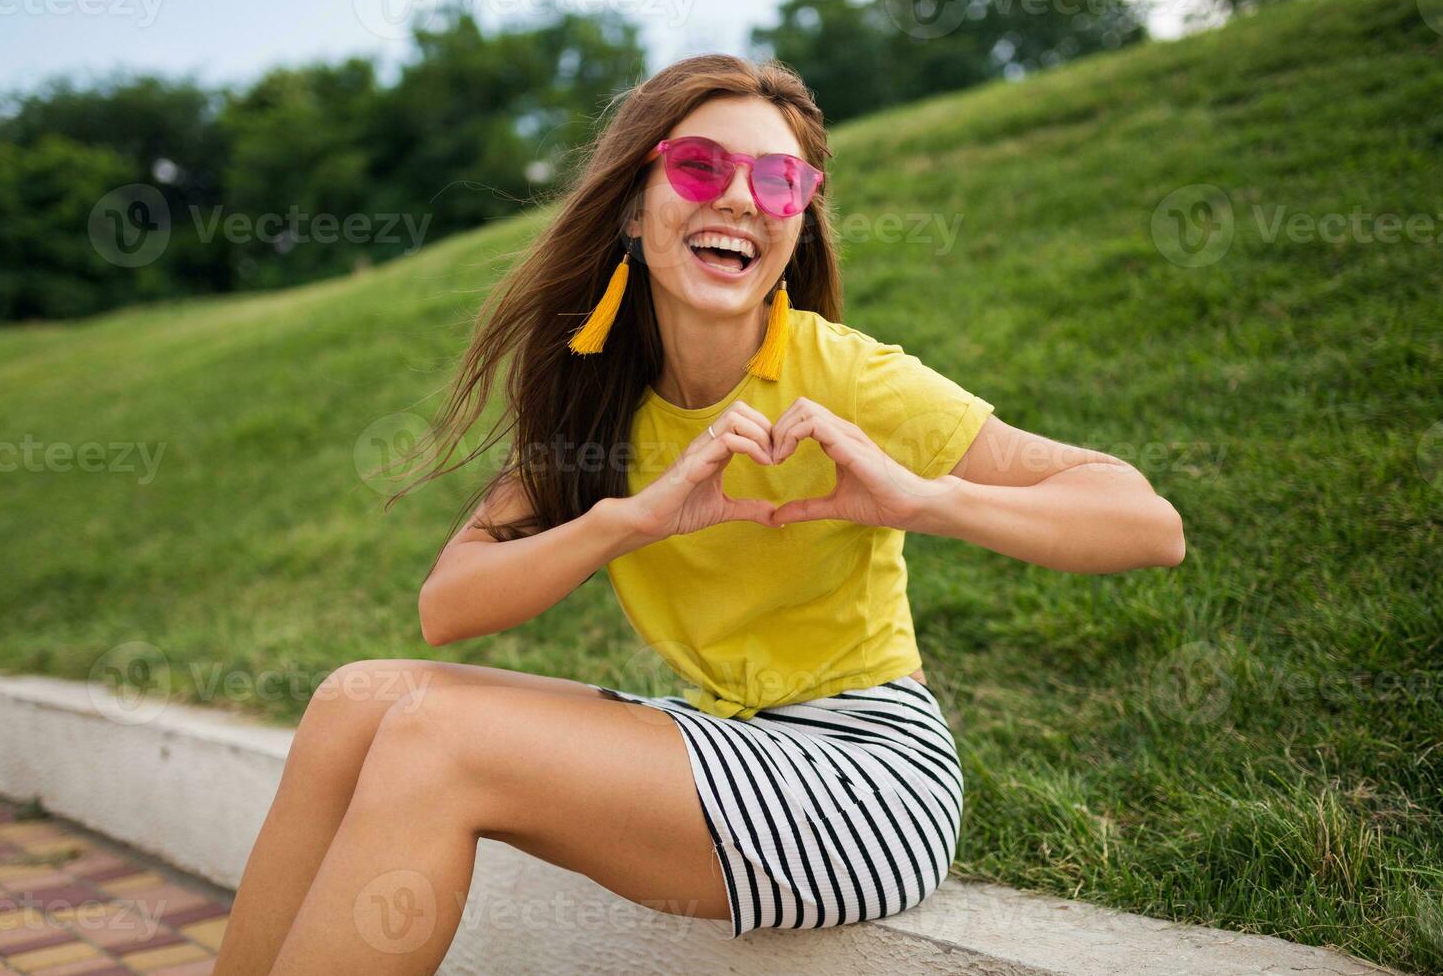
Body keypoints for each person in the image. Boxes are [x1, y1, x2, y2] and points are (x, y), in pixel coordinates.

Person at [216, 53, 1185, 973]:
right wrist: (631, 519)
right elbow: (449, 604)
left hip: (865, 778)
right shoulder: (601, 396)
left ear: (798, 223)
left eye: (778, 183)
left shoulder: (842, 375)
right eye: (698, 165)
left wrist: (919, 497)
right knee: (355, 700)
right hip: (728, 733)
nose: (737, 198)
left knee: (435, 740)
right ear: (633, 208)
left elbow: (1143, 520)